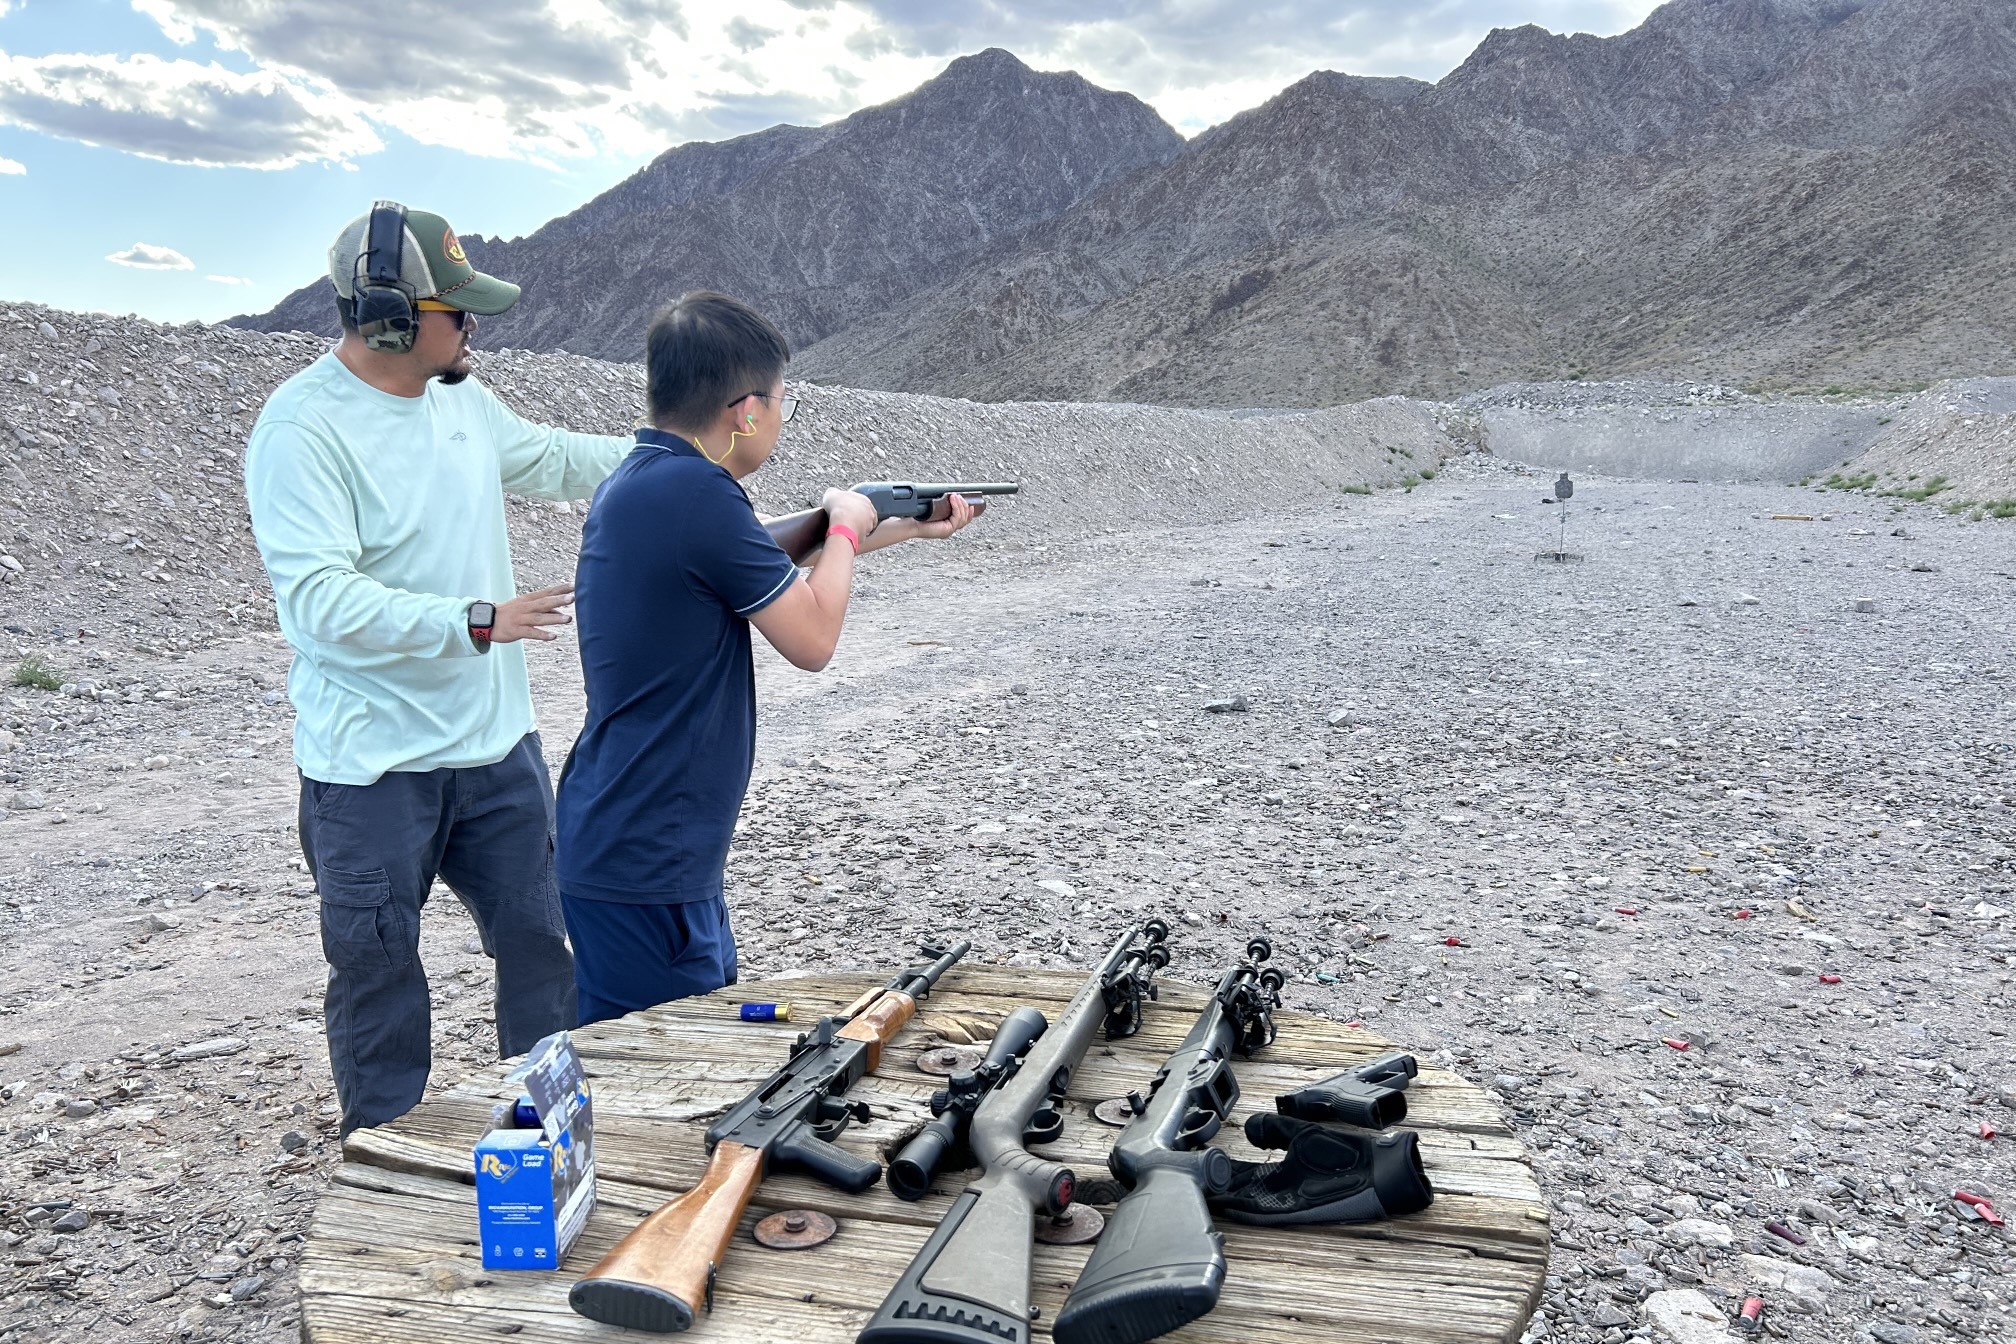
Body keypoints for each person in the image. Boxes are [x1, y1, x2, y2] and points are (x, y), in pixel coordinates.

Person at [243, 201, 632, 1134]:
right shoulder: (301, 429)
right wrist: (477, 620)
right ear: (388, 314)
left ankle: (546, 1143)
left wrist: (685, 455)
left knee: (542, 953)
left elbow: (550, 458)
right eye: (456, 310)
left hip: (497, 753)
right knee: (379, 979)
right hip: (372, 771)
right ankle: (383, 1165)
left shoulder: (462, 401)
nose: (473, 328)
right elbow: (320, 606)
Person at [555, 290, 975, 1025]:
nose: (779, 420)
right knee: (661, 1086)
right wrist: (844, 528)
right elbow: (811, 639)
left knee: (692, 1063)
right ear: (746, 410)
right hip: (650, 860)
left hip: (645, 847)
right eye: (781, 404)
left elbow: (760, 559)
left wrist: (905, 527)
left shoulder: (649, 480)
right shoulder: (697, 496)